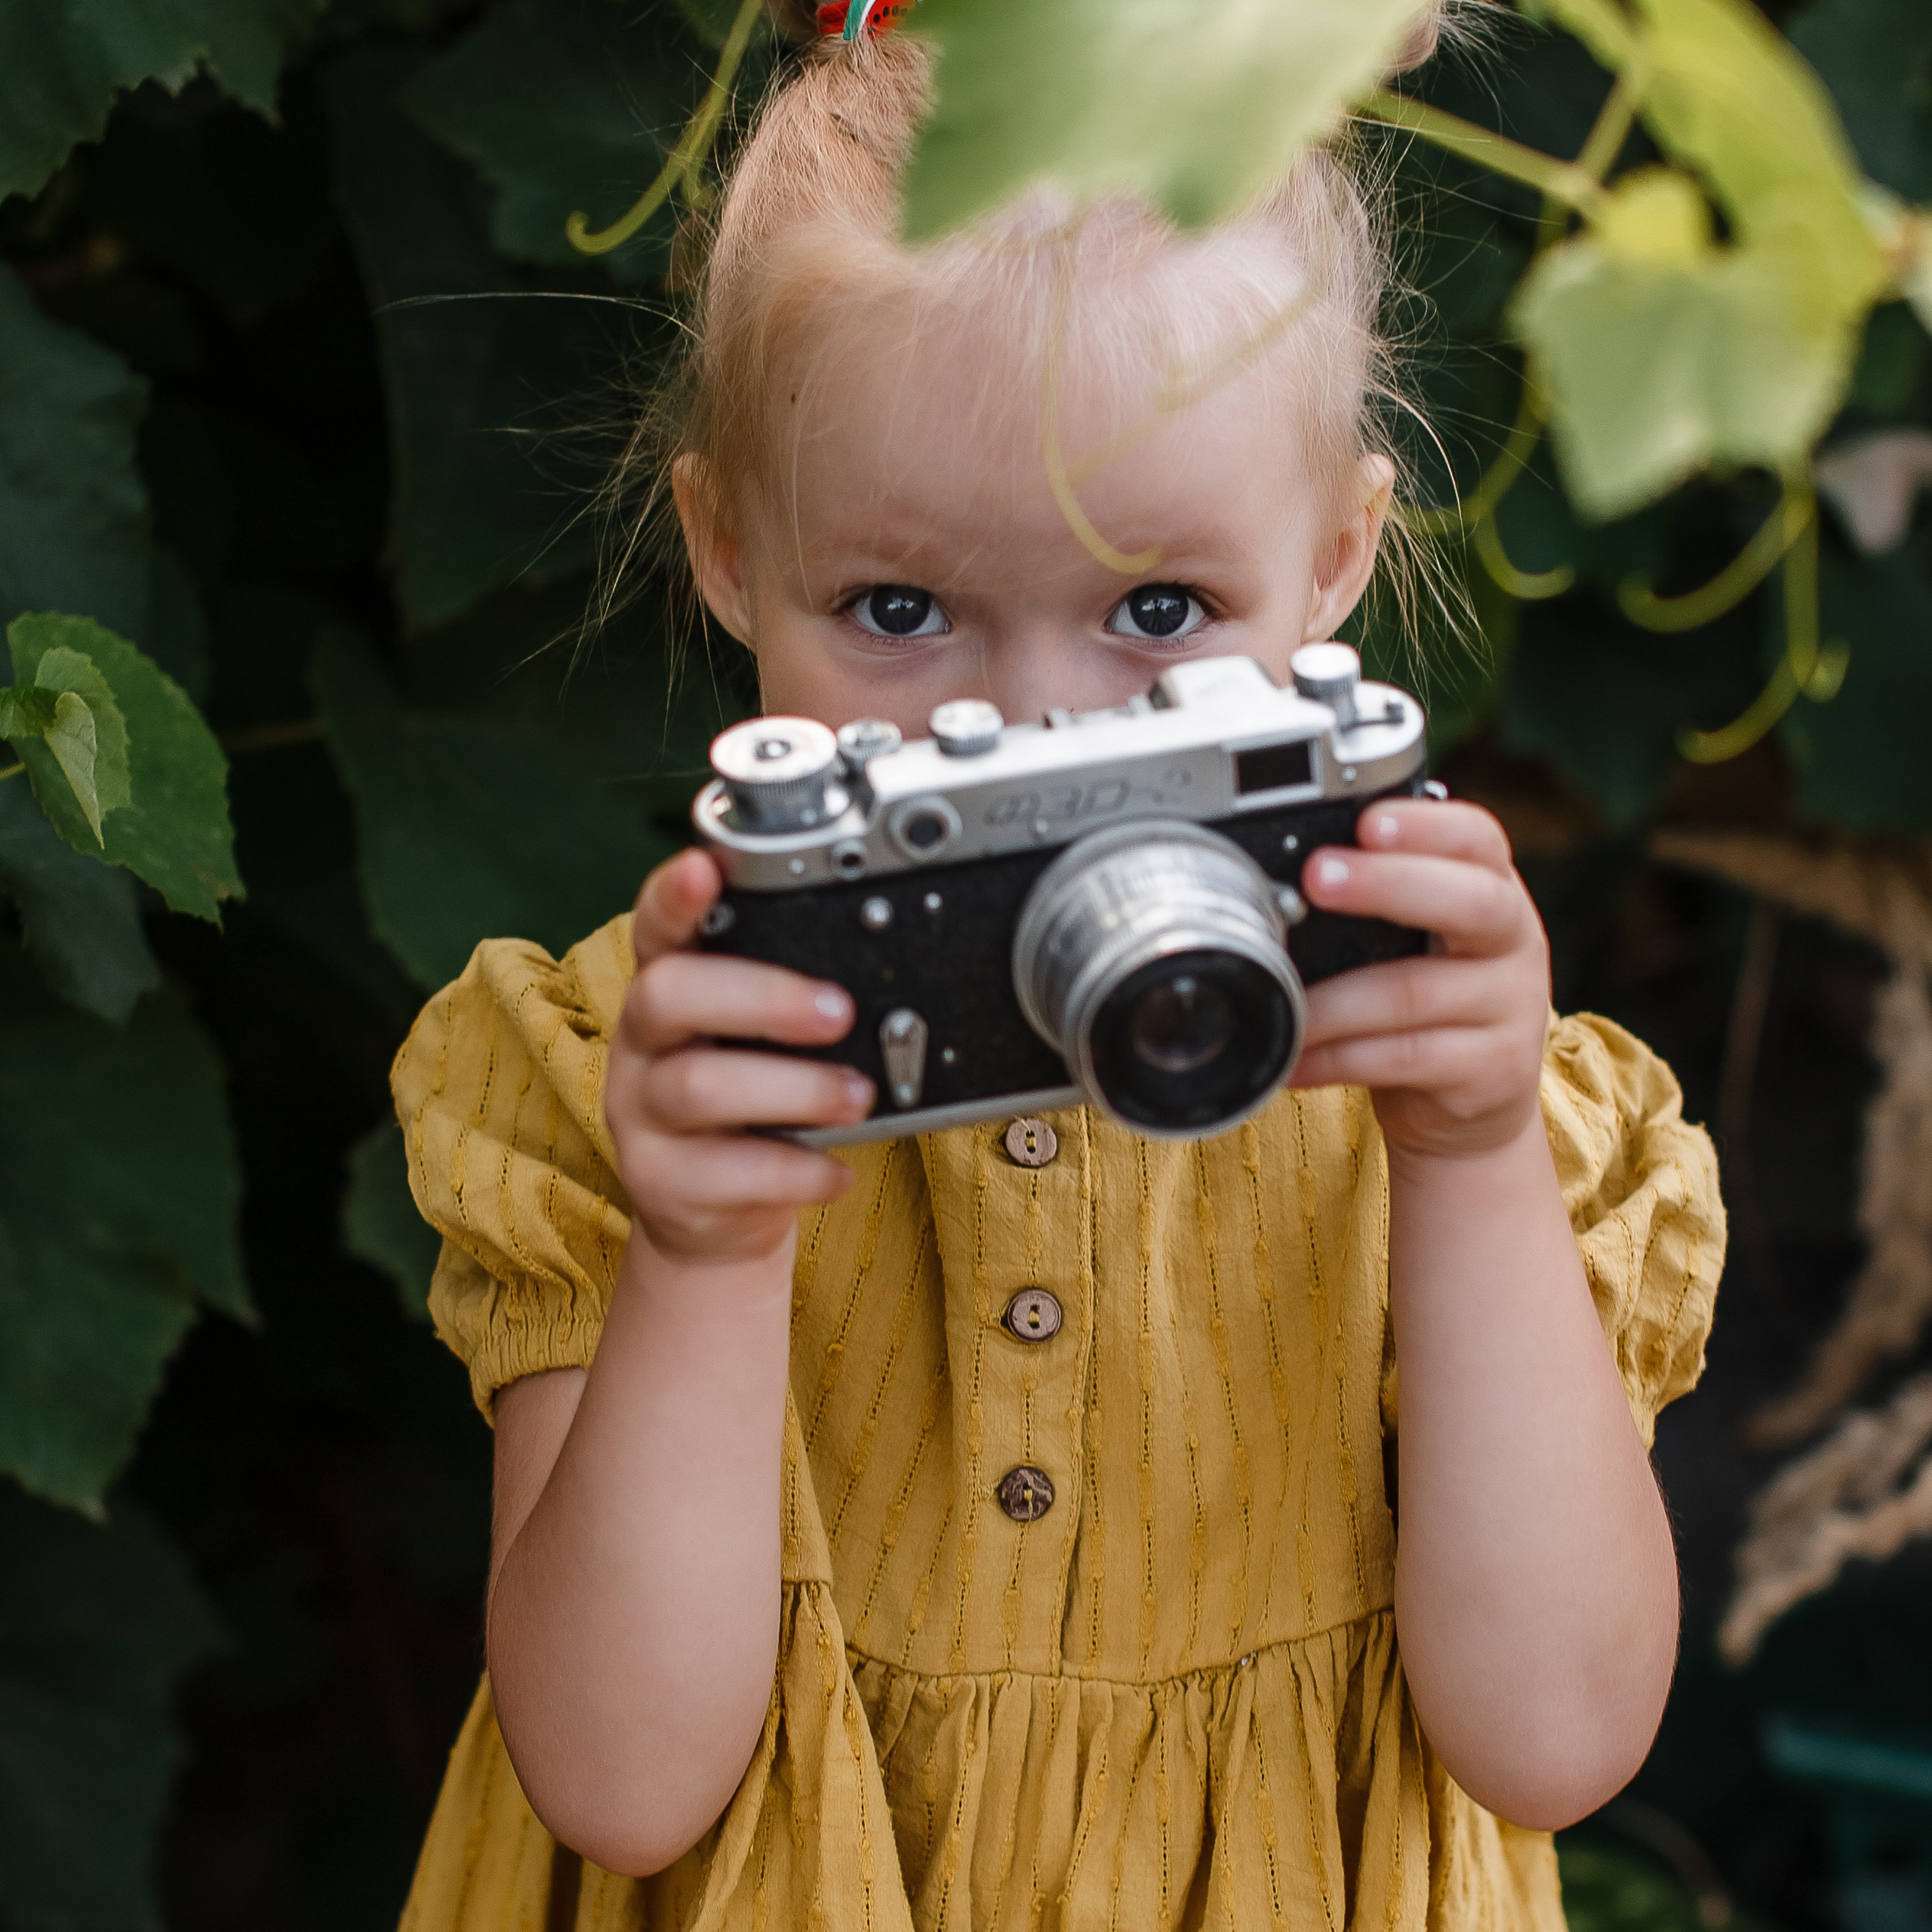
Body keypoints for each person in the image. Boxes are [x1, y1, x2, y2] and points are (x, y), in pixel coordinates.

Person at [390, 6, 1724, 1928]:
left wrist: (1469, 1162)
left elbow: (1553, 1735)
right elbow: (618, 1780)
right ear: (726, 549)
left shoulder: (1452, 1094)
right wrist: (705, 1253)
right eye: (899, 609)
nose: (1027, 727)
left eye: (1159, 611)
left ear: (1338, 557)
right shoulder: (638, 1075)